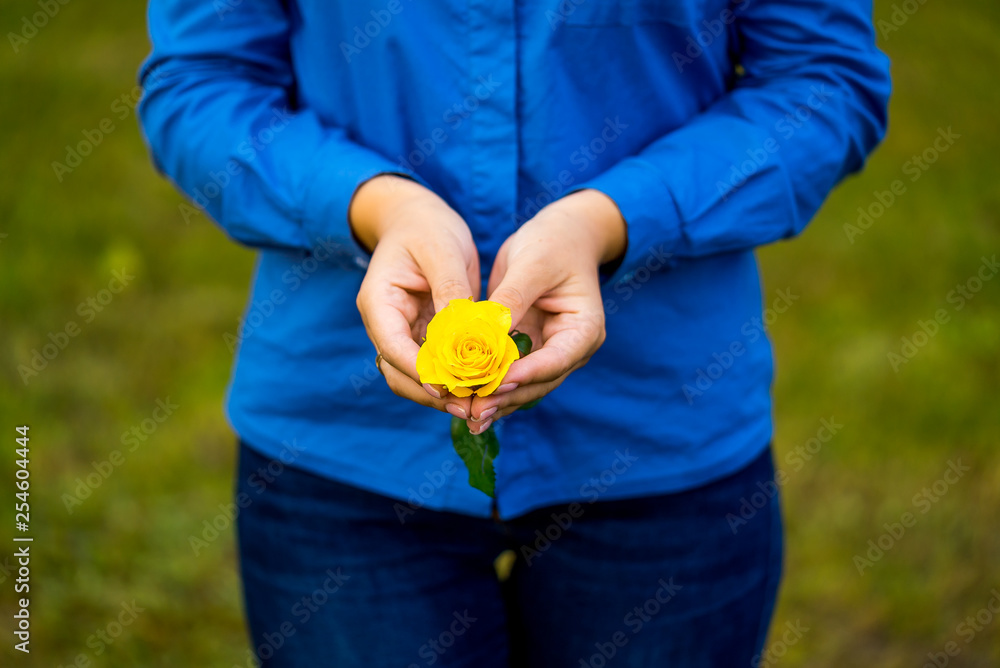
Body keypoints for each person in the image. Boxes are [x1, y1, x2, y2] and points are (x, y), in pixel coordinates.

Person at [139, 0, 890, 665]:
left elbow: (823, 82)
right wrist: (372, 206)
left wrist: (618, 218)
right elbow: (200, 84)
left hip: (662, 437)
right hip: (342, 447)